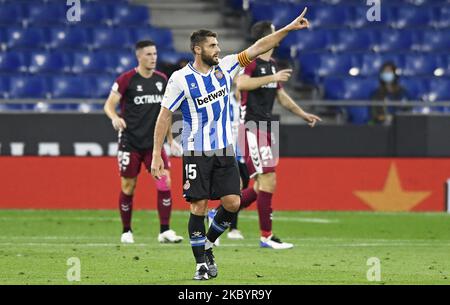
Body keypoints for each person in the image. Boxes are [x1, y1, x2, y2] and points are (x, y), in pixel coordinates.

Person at [151, 8, 312, 280]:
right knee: (198, 207)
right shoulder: (180, 79)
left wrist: (288, 28)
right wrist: (158, 153)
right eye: (212, 46)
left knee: (233, 202)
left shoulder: (227, 66)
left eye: (218, 44)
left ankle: (209, 243)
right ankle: (201, 263)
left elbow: (259, 45)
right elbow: (164, 116)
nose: (218, 49)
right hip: (197, 151)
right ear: (197, 49)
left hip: (225, 149)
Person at [235, 20, 321, 249]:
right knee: (269, 180)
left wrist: (303, 114)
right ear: (267, 37)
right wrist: (272, 79)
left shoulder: (272, 63)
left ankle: (220, 214)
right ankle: (266, 236)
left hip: (267, 126)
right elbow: (241, 83)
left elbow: (281, 97)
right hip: (251, 126)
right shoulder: (251, 62)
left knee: (258, 186)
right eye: (275, 33)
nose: (278, 37)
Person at [103, 40, 183, 244]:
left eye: (155, 53)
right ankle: (126, 231)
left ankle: (165, 230)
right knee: (129, 186)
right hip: (130, 142)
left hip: (154, 146)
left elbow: (167, 113)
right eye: (148, 54)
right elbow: (109, 105)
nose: (153, 57)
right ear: (139, 56)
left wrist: (171, 141)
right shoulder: (126, 79)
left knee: (165, 184)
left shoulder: (162, 80)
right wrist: (114, 117)